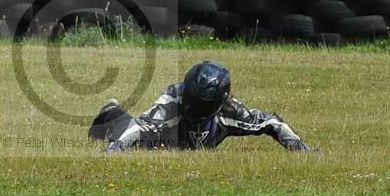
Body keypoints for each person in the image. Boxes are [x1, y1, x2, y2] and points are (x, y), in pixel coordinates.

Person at [89, 61, 317, 153]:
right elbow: (139, 127)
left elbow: (271, 122)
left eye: (202, 104)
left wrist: (302, 150)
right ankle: (111, 112)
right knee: (140, 144)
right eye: (192, 99)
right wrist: (114, 149)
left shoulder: (231, 111)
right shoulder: (172, 102)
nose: (193, 108)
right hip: (164, 137)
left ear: (219, 103)